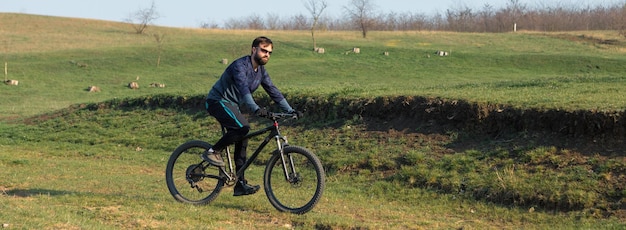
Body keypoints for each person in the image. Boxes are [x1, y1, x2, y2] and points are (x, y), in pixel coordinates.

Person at [202, 36, 301, 196]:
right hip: (217, 101)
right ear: (253, 49)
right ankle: (212, 151)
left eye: (269, 52)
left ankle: (240, 184)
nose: (266, 54)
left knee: (243, 136)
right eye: (263, 50)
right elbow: (244, 90)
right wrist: (256, 109)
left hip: (232, 105)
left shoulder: (261, 71)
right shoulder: (239, 66)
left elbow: (273, 91)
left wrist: (290, 110)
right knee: (243, 128)